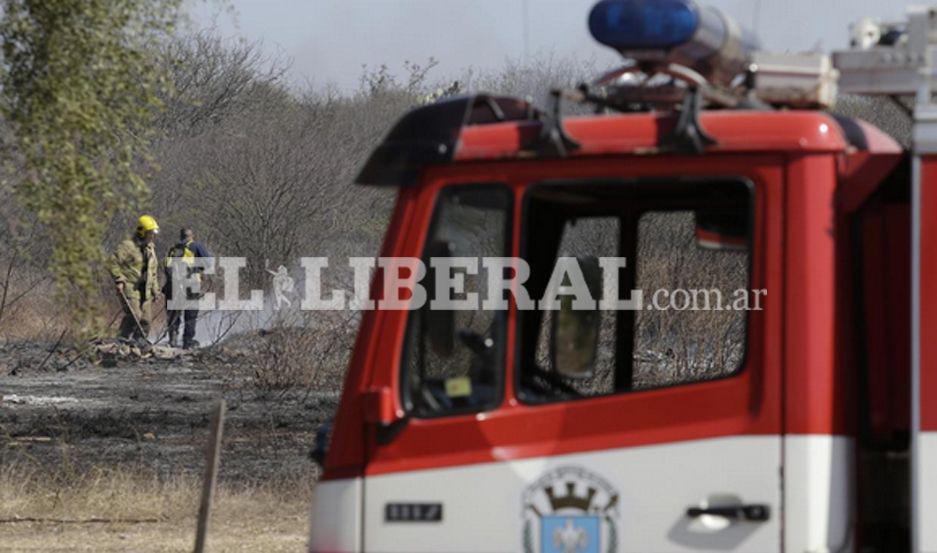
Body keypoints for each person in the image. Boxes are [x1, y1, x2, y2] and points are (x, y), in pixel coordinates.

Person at [110, 215, 161, 343]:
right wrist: (119, 279)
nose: (152, 236)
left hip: (146, 289)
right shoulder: (128, 246)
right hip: (130, 286)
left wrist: (155, 290)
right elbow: (112, 263)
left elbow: (152, 271)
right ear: (142, 232)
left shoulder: (150, 248)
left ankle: (139, 343)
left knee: (146, 320)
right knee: (134, 315)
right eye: (150, 233)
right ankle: (122, 340)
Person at [163, 228, 211, 349]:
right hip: (191, 284)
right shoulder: (196, 246)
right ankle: (187, 341)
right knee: (190, 314)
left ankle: (172, 339)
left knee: (174, 314)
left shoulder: (173, 249)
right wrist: (197, 269)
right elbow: (208, 262)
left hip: (173, 285)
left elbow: (166, 266)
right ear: (192, 236)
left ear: (180, 236)